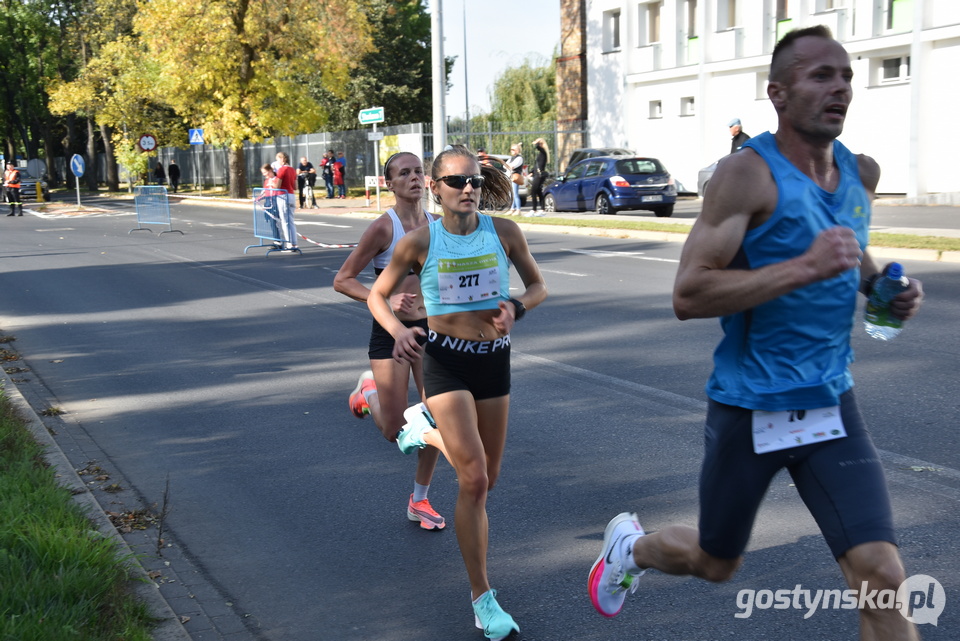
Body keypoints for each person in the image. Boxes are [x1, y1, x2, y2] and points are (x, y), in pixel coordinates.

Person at [588, 27, 924, 641]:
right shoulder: (746, 175)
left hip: (830, 402)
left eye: (846, 75)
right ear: (778, 92)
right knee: (718, 563)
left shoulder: (862, 174)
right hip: (751, 406)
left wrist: (885, 291)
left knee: (882, 574)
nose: (840, 87)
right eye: (821, 75)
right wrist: (803, 268)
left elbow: (850, 257)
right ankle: (628, 551)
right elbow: (689, 293)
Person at [368, 145, 547, 640]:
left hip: (495, 362)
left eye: (473, 180)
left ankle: (423, 426)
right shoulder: (420, 243)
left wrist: (517, 307)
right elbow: (376, 295)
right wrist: (401, 332)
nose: (467, 189)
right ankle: (482, 598)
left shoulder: (504, 233)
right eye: (455, 182)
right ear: (436, 189)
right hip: (444, 361)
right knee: (471, 478)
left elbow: (538, 287)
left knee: (489, 479)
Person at [333, 152, 446, 531]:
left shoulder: (437, 225)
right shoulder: (384, 228)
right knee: (395, 431)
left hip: (429, 331)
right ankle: (369, 393)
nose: (414, 178)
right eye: (404, 173)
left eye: (418, 171)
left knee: (438, 416)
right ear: (390, 184)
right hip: (391, 332)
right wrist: (382, 297)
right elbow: (343, 279)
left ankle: (420, 499)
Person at [274, 152, 299, 252]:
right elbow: (295, 186)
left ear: (282, 159)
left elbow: (277, 186)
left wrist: (272, 184)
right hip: (291, 195)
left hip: (283, 195)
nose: (277, 162)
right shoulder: (292, 170)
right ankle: (294, 242)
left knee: (285, 221)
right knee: (291, 221)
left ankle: (289, 244)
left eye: (278, 159)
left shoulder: (282, 169)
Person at [528, 138, 548, 216]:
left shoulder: (543, 152)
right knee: (539, 192)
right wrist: (532, 172)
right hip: (536, 174)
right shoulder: (541, 153)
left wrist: (537, 142)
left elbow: (537, 147)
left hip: (539, 175)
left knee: (533, 191)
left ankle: (534, 210)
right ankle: (542, 209)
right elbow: (537, 164)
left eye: (540, 144)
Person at [506, 143, 523, 216]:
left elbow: (513, 166)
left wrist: (509, 166)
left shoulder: (519, 158)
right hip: (511, 176)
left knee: (515, 194)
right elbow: (505, 165)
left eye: (513, 149)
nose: (512, 151)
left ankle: (518, 209)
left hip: (515, 177)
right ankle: (512, 209)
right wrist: (508, 166)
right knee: (511, 194)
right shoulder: (511, 158)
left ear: (517, 150)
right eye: (511, 149)